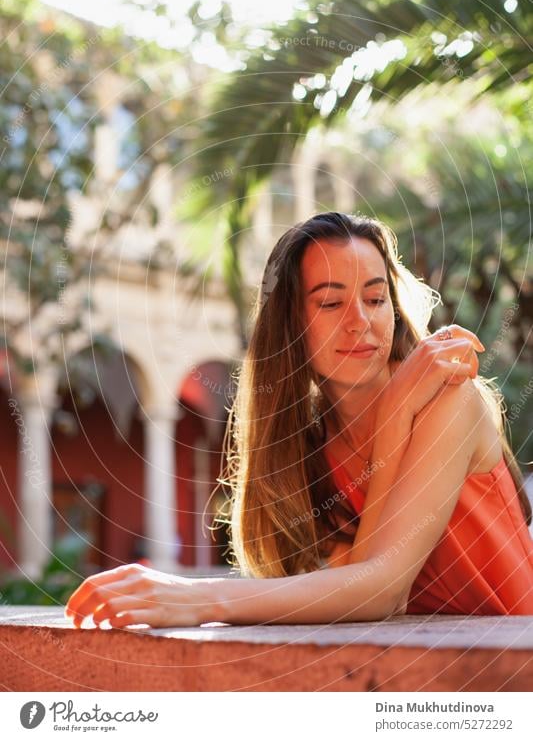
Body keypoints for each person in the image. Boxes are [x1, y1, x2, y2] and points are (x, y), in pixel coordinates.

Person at [64, 212, 533, 628]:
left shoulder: (448, 400)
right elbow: (356, 586)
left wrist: (193, 595)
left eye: (375, 298)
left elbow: (381, 591)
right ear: (292, 325)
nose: (360, 321)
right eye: (330, 303)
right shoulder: (310, 446)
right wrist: (393, 423)